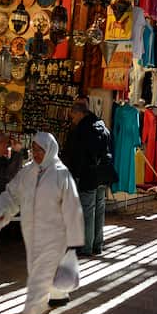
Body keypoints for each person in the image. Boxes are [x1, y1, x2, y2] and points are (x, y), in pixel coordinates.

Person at [0, 132, 85, 314]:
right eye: (34, 149)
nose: (36, 153)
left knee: (40, 271)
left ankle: (33, 309)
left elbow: (72, 206)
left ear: (50, 150)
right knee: (41, 267)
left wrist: (75, 237)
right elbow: (11, 194)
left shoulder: (61, 174)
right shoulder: (27, 172)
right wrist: (3, 212)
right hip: (31, 231)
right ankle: (58, 294)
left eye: (40, 150)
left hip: (54, 233)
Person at [64, 99, 115, 257]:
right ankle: (97, 245)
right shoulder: (103, 127)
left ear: (79, 113)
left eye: (72, 116)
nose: (72, 120)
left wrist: (75, 175)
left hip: (89, 174)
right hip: (104, 174)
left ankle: (86, 246)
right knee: (99, 209)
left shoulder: (82, 129)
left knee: (87, 210)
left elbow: (77, 156)